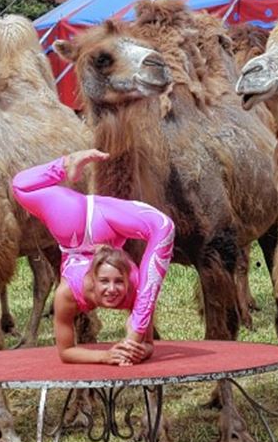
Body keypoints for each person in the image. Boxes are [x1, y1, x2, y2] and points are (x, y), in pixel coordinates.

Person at [12, 149, 175, 365]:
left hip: (76, 230)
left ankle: (135, 328)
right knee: (164, 227)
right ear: (92, 279)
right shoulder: (68, 293)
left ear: (127, 278)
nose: (112, 290)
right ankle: (68, 162)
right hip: (85, 222)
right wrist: (106, 356)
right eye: (105, 282)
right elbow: (66, 352)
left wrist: (135, 348)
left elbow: (148, 346)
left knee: (21, 187)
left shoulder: (133, 289)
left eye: (118, 282)